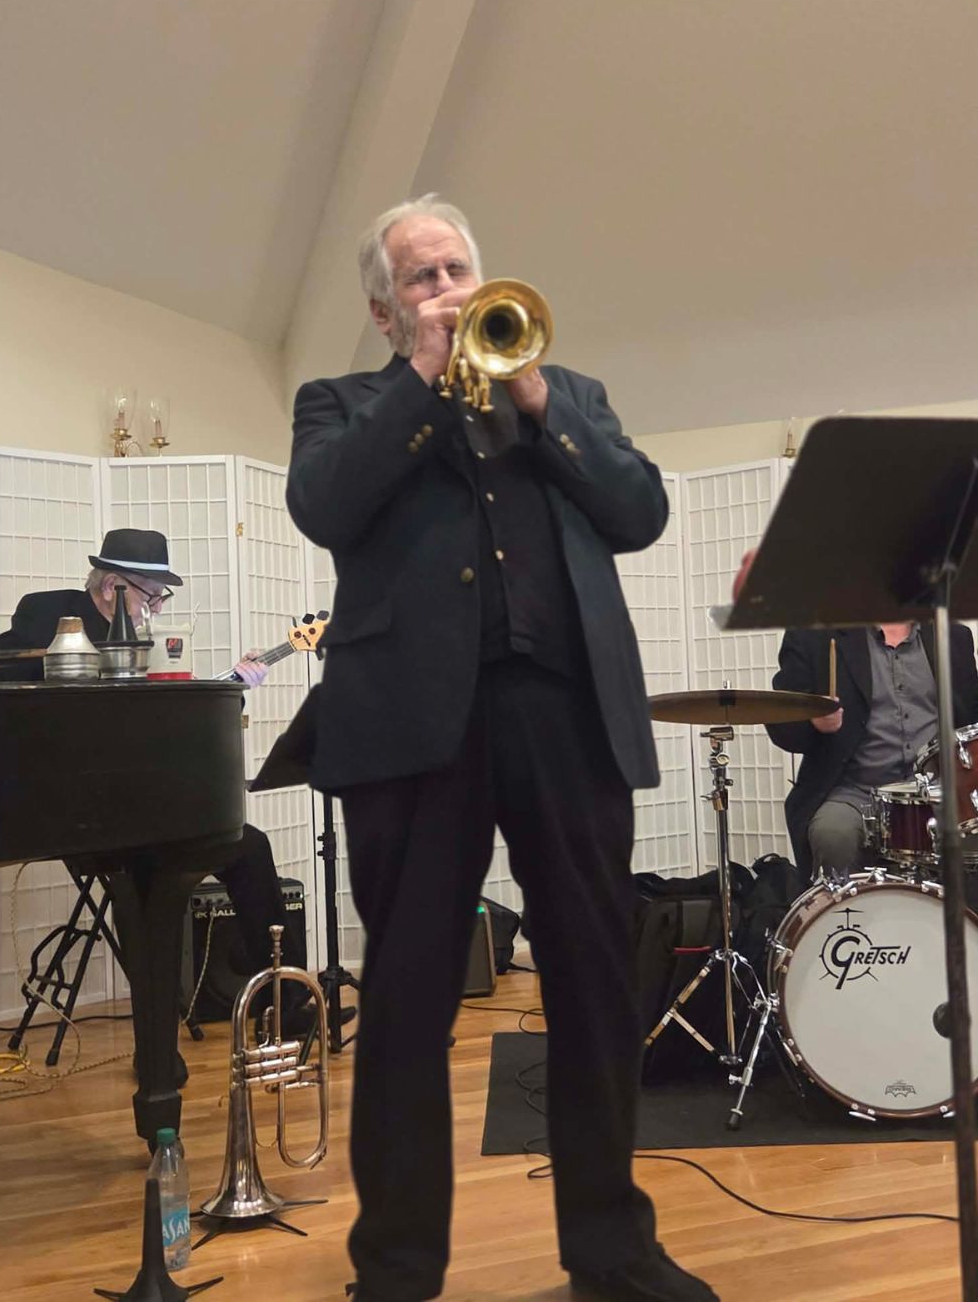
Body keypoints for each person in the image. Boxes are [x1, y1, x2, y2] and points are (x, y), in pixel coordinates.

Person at [286, 196, 710, 1302]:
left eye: (457, 269)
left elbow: (640, 513)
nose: (447, 291)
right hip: (408, 729)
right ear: (384, 313)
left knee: (594, 984)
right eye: (420, 278)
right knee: (405, 1000)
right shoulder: (339, 403)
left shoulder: (569, 392)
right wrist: (425, 383)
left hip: (565, 715)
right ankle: (395, 1270)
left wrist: (536, 402)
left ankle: (611, 1249)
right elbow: (325, 507)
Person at [0, 527, 293, 986]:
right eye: (151, 596)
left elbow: (170, 726)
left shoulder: (149, 645)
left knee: (251, 847)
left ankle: (285, 1000)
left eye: (161, 599)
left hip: (140, 805)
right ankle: (159, 1018)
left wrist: (233, 688)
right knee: (145, 872)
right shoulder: (53, 617)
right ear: (112, 586)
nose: (156, 610)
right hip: (79, 809)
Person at [766, 620, 978, 878]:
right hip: (855, 791)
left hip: (939, 790)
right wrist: (813, 720)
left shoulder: (953, 636)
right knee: (833, 834)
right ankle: (843, 905)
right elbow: (783, 724)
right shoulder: (813, 637)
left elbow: (971, 719)